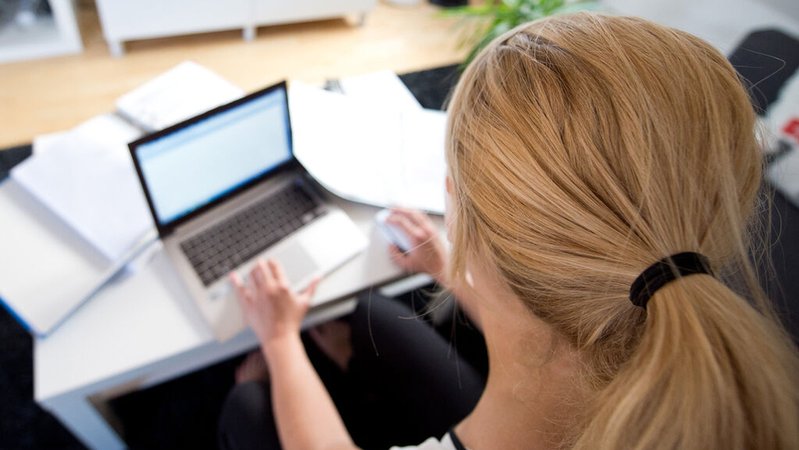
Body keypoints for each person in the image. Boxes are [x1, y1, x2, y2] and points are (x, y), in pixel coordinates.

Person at [218, 12, 799, 450]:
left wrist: (278, 340)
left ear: (460, 210)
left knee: (246, 405)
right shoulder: (674, 315)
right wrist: (447, 268)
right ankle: (348, 354)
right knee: (372, 318)